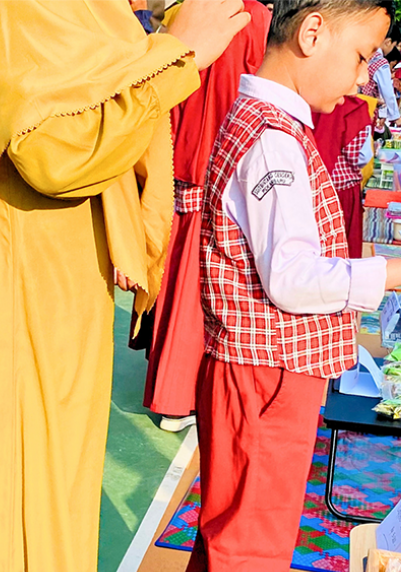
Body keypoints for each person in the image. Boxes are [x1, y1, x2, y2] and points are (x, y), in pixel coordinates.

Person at [184, 0, 401, 572]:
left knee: (236, 531)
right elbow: (293, 279)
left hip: (263, 365)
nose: (362, 77)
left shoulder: (269, 124)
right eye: (361, 56)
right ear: (312, 32)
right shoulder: (273, 139)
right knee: (252, 544)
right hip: (267, 369)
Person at [0, 0, 251, 572]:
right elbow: (53, 147)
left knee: (51, 492)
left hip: (58, 282)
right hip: (21, 281)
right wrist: (178, 57)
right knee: (21, 504)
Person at [144, 0, 271, 433]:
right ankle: (178, 395)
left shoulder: (185, 11)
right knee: (198, 287)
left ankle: (166, 381)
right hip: (223, 165)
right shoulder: (255, 20)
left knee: (174, 273)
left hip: (173, 160)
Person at [313, 96, 374, 258]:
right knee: (344, 247)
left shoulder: (311, 99)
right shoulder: (355, 107)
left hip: (313, 181)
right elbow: (362, 156)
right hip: (343, 189)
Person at [360, 21, 401, 127]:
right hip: (368, 109)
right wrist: (396, 117)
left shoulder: (365, 54)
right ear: (388, 42)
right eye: (393, 46)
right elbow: (387, 91)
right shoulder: (381, 62)